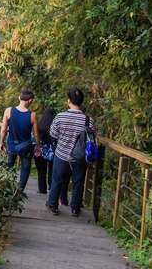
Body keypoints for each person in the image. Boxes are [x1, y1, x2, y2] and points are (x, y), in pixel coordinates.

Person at [46, 87, 97, 216]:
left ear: (68, 101)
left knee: (57, 179)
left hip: (61, 154)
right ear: (81, 102)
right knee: (78, 182)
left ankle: (53, 204)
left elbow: (53, 133)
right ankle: (75, 208)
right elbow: (92, 138)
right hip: (79, 157)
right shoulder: (88, 120)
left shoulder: (60, 117)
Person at [0, 89, 38, 193]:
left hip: (12, 144)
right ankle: (19, 190)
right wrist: (38, 147)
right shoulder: (32, 115)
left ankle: (6, 187)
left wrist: (1, 142)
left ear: (19, 98)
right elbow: (36, 134)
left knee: (9, 165)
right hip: (25, 147)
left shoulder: (8, 111)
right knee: (25, 168)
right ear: (30, 101)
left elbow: (3, 129)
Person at [35, 107, 65, 203]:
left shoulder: (39, 123)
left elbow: (34, 136)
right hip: (53, 151)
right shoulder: (55, 124)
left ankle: (42, 189)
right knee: (52, 170)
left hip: (40, 150)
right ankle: (51, 187)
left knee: (41, 171)